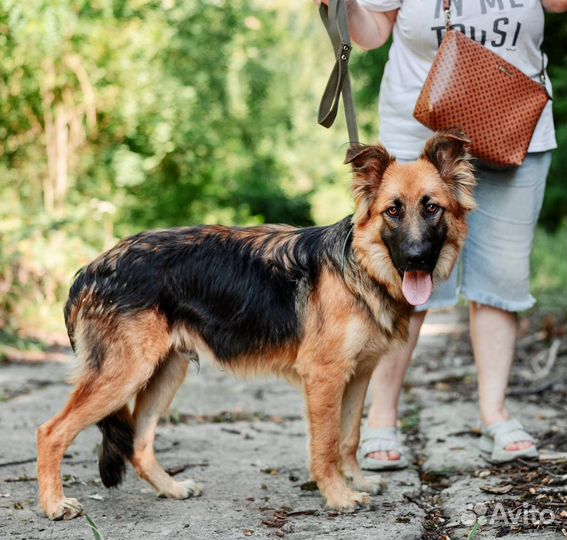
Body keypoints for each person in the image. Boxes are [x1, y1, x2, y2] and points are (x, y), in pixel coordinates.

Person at [317, 0, 566, 468]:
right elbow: (371, 33)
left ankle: (496, 415)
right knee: (401, 279)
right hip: (420, 124)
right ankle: (381, 420)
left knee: (503, 275)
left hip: (515, 124)